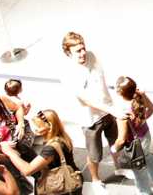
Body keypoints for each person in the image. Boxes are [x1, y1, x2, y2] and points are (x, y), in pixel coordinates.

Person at [59, 32, 121, 195]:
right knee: (95, 155)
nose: (82, 53)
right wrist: (110, 109)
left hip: (108, 111)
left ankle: (119, 168)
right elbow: (84, 101)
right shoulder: (67, 74)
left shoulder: (92, 56)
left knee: (115, 142)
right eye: (77, 51)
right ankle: (95, 180)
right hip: (90, 120)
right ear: (68, 53)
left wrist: (112, 103)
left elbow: (102, 80)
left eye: (83, 48)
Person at [112, 77, 153, 194]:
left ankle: (144, 192)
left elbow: (122, 139)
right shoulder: (138, 98)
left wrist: (114, 148)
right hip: (146, 136)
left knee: (140, 173)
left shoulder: (122, 112)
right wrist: (141, 120)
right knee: (149, 158)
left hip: (135, 145)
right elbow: (152, 109)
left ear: (119, 92)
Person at [0, 109, 81, 195]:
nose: (34, 129)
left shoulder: (51, 148)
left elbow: (27, 170)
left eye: (38, 126)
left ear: (49, 127)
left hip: (61, 186)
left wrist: (9, 152)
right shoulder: (62, 137)